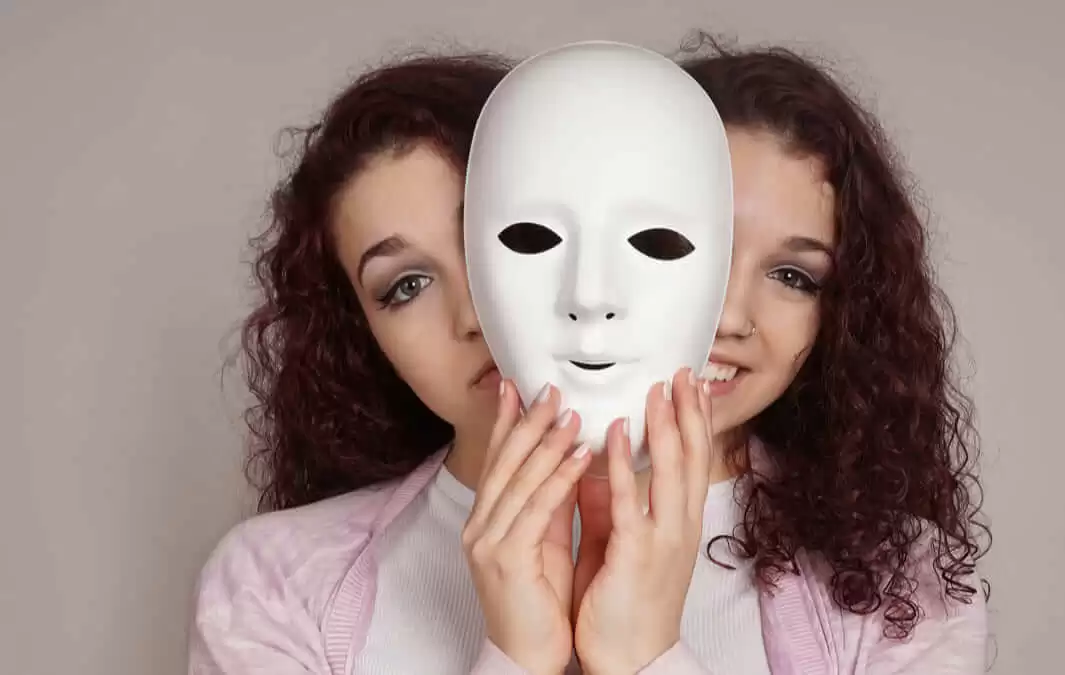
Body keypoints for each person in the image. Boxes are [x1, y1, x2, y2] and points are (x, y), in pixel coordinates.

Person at [189, 41, 990, 675]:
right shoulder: (279, 584)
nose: (478, 314)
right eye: (406, 284)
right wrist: (516, 659)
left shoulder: (904, 582)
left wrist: (646, 656)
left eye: (792, 274)